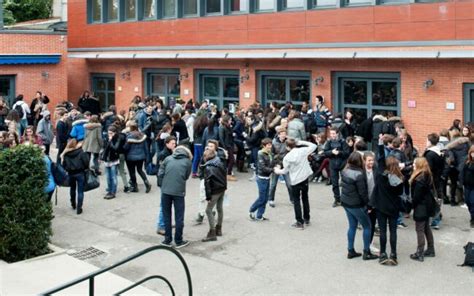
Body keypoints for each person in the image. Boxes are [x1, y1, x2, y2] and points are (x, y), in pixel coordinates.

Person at [369, 138, 404, 265]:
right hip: (393, 207)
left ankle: (383, 253)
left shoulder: (381, 176)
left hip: (381, 206)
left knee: (383, 231)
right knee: (393, 231)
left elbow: (380, 159)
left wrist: (380, 144)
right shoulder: (400, 178)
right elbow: (400, 193)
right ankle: (393, 254)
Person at [340, 152, 378, 260]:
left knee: (352, 226)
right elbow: (363, 193)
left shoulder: (345, 171)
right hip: (356, 205)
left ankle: (350, 250)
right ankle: (367, 252)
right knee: (368, 226)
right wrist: (369, 206)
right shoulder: (359, 174)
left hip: (346, 203)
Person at [274, 138, 316, 229]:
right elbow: (314, 146)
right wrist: (301, 142)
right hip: (304, 178)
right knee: (305, 198)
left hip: (295, 180)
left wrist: (278, 170)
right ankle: (306, 218)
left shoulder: (287, 157)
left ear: (287, 147)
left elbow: (285, 171)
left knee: (296, 201)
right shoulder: (303, 150)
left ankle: (299, 222)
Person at [157, 145, 192, 248]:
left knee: (167, 215)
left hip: (165, 191)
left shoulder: (168, 159)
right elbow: (186, 176)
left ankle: (167, 240)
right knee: (179, 217)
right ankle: (178, 240)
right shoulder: (187, 162)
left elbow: (161, 173)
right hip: (178, 192)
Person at [409, 157, 436, 262]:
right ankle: (430, 249)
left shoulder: (419, 178)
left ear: (419, 165)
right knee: (426, 228)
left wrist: (411, 205)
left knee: (419, 229)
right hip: (427, 205)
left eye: (415, 163)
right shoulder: (427, 174)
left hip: (421, 207)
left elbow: (417, 197)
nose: (413, 165)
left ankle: (420, 253)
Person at [201, 149, 227, 242]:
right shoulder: (220, 162)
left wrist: (208, 197)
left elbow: (207, 183)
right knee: (220, 208)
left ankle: (212, 232)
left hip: (215, 191)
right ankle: (219, 229)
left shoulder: (208, 167)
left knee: (208, 210)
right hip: (222, 188)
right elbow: (225, 175)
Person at [155, 136, 177, 235]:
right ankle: (161, 226)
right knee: (164, 205)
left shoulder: (172, 153)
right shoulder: (163, 155)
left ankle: (166, 223)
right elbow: (160, 171)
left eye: (175, 143)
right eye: (172, 143)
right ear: (167, 144)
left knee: (168, 204)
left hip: (170, 182)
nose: (174, 145)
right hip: (164, 183)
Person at [61, 139, 90, 215]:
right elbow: (86, 162)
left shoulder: (66, 154)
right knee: (80, 191)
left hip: (71, 173)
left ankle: (73, 203)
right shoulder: (81, 152)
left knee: (72, 188)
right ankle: (79, 208)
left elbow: (64, 165)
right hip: (80, 173)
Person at [324, 127, 351, 207]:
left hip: (342, 164)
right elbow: (325, 152)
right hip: (333, 165)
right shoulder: (328, 142)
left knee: (345, 183)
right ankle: (337, 200)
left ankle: (344, 199)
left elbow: (347, 153)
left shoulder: (343, 142)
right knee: (334, 184)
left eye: (333, 133)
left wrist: (338, 152)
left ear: (337, 133)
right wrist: (331, 152)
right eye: (331, 133)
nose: (332, 135)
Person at [249, 138, 274, 222]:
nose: (270, 147)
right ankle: (252, 209)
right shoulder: (261, 153)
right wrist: (273, 170)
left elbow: (271, 163)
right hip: (262, 178)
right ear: (264, 146)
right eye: (268, 145)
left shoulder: (269, 153)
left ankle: (259, 216)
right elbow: (262, 167)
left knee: (265, 198)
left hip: (267, 177)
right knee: (262, 198)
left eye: (270, 145)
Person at [423, 133, 445, 229]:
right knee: (437, 198)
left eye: (427, 140)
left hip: (431, 181)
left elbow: (428, 169)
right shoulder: (439, 152)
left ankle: (434, 220)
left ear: (430, 142)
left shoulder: (430, 154)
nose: (426, 142)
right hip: (438, 179)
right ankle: (436, 219)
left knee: (432, 199)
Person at [123, 122, 151, 193]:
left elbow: (126, 148)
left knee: (132, 172)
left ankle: (135, 187)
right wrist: (147, 157)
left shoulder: (129, 136)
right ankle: (147, 182)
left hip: (130, 157)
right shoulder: (142, 136)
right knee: (140, 170)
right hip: (140, 157)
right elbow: (146, 148)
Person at [268, 128, 292, 207]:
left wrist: (289, 150)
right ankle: (271, 199)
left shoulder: (288, 141)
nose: (283, 136)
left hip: (286, 165)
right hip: (277, 164)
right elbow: (271, 154)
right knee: (273, 184)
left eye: (284, 134)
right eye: (282, 134)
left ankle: (292, 199)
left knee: (289, 184)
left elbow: (292, 152)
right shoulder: (274, 142)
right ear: (278, 135)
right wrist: (275, 164)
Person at [101, 126, 121, 200]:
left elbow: (116, 148)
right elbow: (104, 148)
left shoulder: (117, 138)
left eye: (111, 133)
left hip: (114, 159)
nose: (109, 134)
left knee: (113, 177)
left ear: (115, 133)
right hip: (107, 159)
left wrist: (111, 141)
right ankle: (109, 190)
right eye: (108, 133)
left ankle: (113, 192)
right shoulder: (106, 138)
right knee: (108, 177)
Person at [219, 114, 236, 181]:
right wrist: (224, 148)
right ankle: (228, 174)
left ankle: (227, 173)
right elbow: (221, 138)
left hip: (230, 145)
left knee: (229, 160)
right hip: (227, 146)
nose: (231, 121)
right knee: (231, 160)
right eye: (230, 120)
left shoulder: (228, 126)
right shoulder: (222, 127)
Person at [460, 145, 474, 228]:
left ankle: (473, 219)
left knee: (473, 202)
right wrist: (461, 181)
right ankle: (472, 215)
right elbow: (462, 171)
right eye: (472, 153)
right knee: (468, 202)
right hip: (467, 185)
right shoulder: (467, 160)